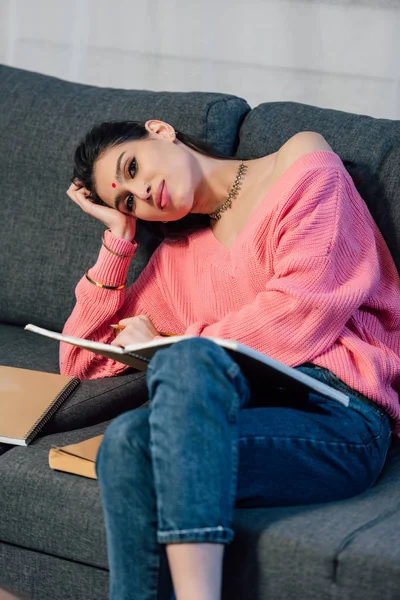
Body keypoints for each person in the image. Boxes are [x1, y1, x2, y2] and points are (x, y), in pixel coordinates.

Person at [63, 120, 400, 600]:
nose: (141, 192)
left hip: (342, 416)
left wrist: (181, 341)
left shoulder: (298, 157)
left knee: (188, 357)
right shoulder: (176, 261)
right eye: (128, 201)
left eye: (132, 167)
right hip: (247, 418)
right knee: (124, 444)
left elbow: (303, 310)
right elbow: (81, 361)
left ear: (160, 131)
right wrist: (118, 239)